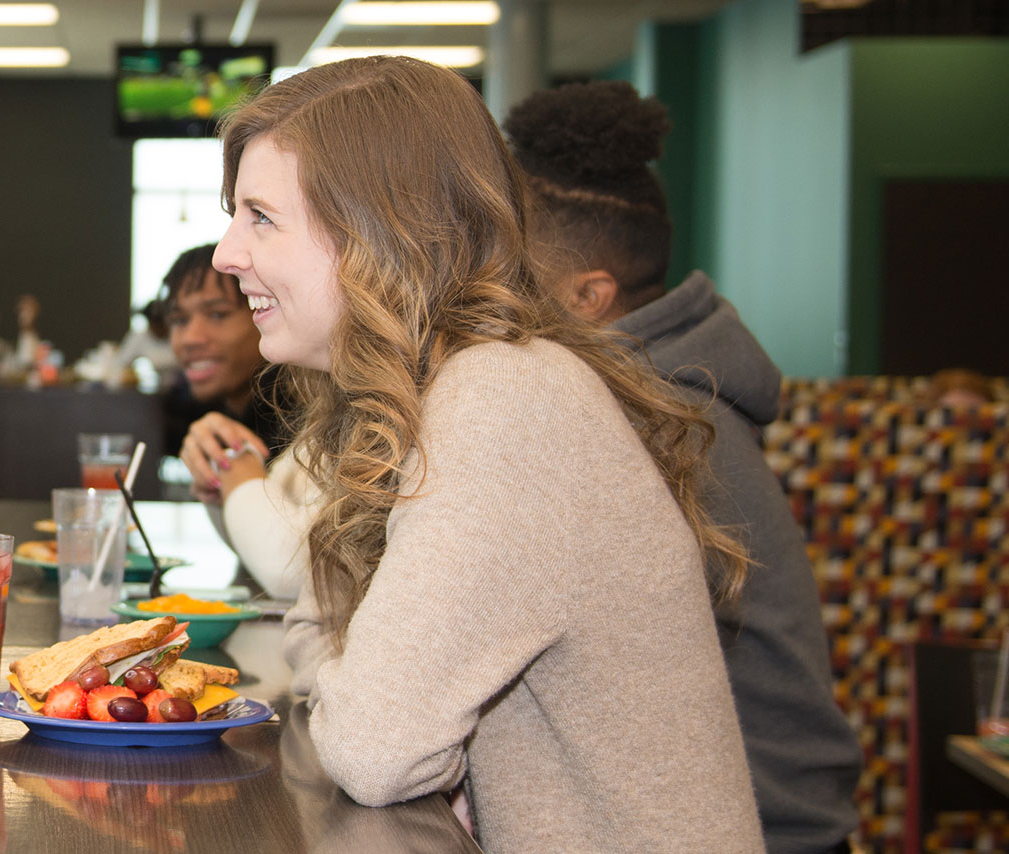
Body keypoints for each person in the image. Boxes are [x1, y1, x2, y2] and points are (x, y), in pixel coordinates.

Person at [214, 56, 761, 851]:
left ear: (379, 231)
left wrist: (349, 669)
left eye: (260, 217)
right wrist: (349, 663)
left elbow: (374, 749)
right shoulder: (457, 387)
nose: (228, 253)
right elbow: (320, 613)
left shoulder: (504, 399)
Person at [506, 79, 859, 854]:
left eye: (510, 271)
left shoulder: (657, 420)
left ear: (589, 295)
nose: (488, 293)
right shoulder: (660, 392)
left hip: (766, 831)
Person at [155, 244, 288, 461]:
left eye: (217, 315)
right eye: (179, 320)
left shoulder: (305, 429)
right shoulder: (195, 415)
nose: (190, 338)